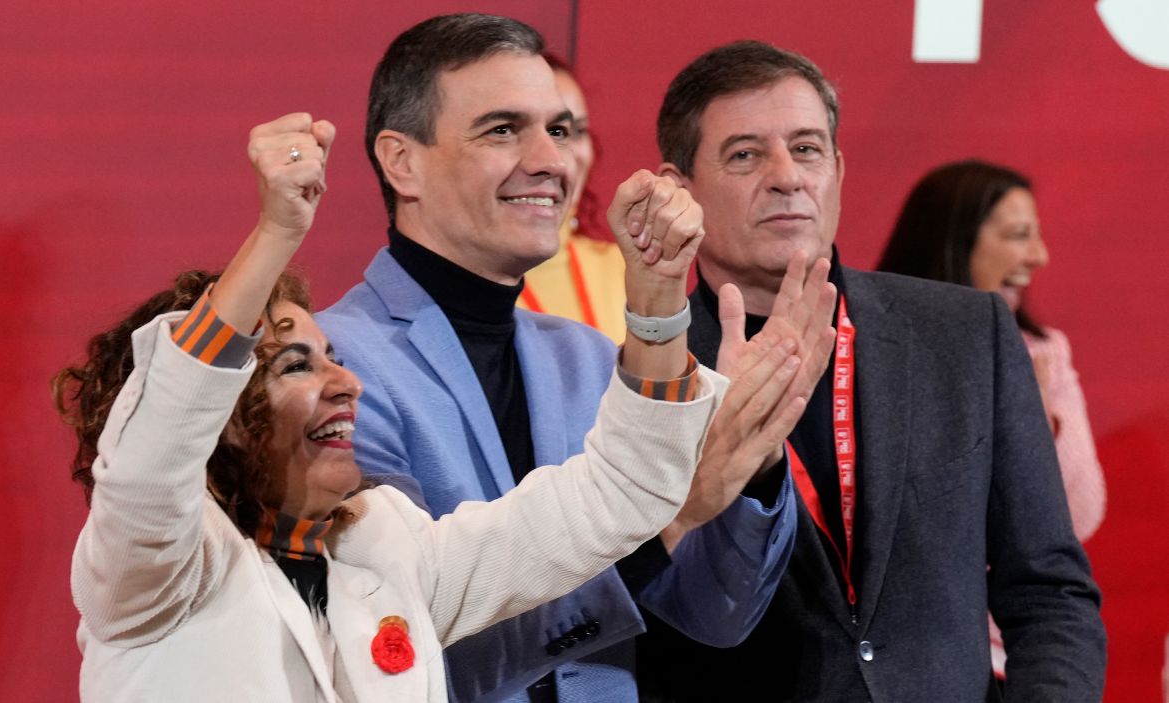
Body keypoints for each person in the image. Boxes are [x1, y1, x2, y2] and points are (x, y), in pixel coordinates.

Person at [55, 112, 804, 702]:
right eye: (294, 365)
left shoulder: (385, 548)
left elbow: (611, 498)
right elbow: (156, 449)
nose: (345, 385)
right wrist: (277, 235)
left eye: (334, 360)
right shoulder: (149, 568)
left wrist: (655, 307)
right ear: (222, 415)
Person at [316, 14, 836, 703]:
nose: (552, 161)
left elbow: (717, 612)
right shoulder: (332, 367)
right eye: (503, 130)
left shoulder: (589, 360)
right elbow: (398, 617)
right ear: (400, 160)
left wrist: (753, 453)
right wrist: (670, 514)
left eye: (559, 130)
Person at [635, 41, 1106, 701]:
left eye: (806, 148)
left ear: (838, 167)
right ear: (678, 189)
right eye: (745, 154)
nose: (787, 176)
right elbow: (638, 615)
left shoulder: (966, 333)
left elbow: (1050, 588)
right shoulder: (645, 374)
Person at [876, 158, 1107, 676]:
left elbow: (1080, 516)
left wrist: (1038, 419)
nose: (1039, 256)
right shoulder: (869, 346)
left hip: (1011, 654)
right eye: (1018, 235)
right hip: (908, 649)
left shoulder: (1046, 352)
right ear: (953, 239)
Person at [517, 54, 628, 343]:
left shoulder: (627, 269)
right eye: (508, 131)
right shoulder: (459, 285)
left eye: (569, 131)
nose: (555, 160)